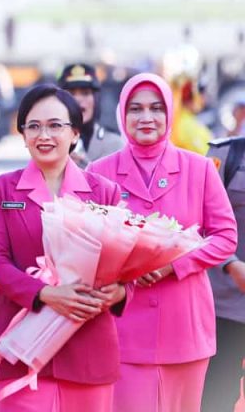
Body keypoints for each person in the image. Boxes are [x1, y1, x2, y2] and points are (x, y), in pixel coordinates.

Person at [88, 72, 237, 412]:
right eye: (135, 109)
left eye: (156, 108)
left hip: (184, 324)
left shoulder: (199, 168)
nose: (146, 118)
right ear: (122, 115)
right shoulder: (99, 171)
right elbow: (87, 240)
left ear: (169, 114)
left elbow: (226, 237)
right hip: (123, 327)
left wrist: (175, 264)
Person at [0, 84, 126, 411]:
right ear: (23, 134)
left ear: (75, 133)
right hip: (22, 342)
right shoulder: (1, 190)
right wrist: (44, 293)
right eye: (34, 126)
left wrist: (120, 291)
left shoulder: (104, 192)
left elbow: (123, 264)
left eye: (55, 125)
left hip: (87, 343)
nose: (44, 135)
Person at [201, 137, 245, 411]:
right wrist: (231, 263)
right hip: (228, 303)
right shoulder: (227, 153)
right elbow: (201, 215)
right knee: (218, 392)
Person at [57, 63, 123, 168]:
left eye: (85, 93)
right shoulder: (49, 143)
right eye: (71, 93)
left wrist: (85, 166)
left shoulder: (114, 145)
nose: (78, 100)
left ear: (96, 99)